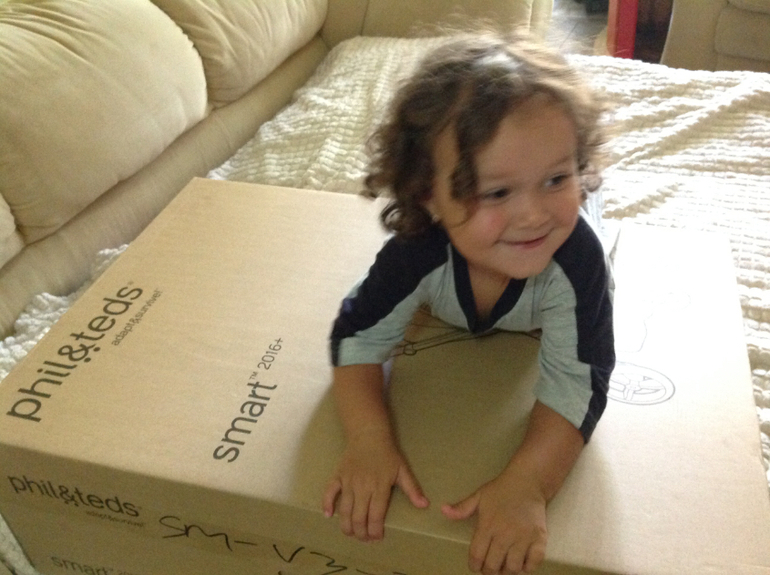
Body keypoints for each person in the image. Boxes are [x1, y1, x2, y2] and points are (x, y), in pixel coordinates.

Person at [322, 30, 615, 575]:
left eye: (557, 177)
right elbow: (356, 337)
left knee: (591, 224)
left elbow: (578, 383)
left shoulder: (575, 260)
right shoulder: (416, 250)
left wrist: (528, 483)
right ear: (428, 195)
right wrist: (367, 438)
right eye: (497, 192)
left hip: (578, 253)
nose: (533, 215)